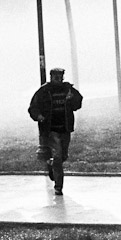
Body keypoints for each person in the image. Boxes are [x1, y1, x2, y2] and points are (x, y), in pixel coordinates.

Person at [28, 67, 83, 196]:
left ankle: (51, 165)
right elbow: (33, 107)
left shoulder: (68, 89)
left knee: (63, 156)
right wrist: (39, 116)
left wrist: (72, 99)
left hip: (65, 128)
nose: (59, 79)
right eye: (56, 77)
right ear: (51, 77)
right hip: (51, 129)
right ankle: (58, 186)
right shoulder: (44, 91)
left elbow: (78, 104)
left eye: (60, 77)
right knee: (58, 156)